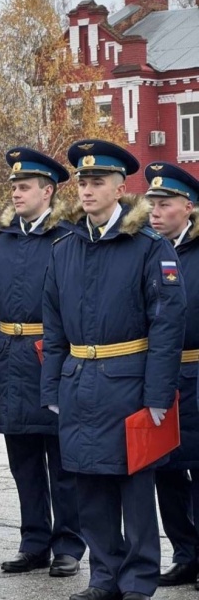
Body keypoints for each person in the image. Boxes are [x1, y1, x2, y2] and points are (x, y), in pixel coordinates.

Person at [41, 140, 187, 600]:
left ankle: (138, 580)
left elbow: (168, 325)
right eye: (82, 181)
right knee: (89, 485)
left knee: (134, 488)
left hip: (129, 380)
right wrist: (52, 386)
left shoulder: (148, 247)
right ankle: (103, 576)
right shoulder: (65, 247)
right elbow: (53, 323)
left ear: (121, 187)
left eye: (97, 181)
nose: (87, 189)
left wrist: (159, 396)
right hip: (79, 381)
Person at [0, 148, 86, 577]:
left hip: (51, 358)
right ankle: (33, 541)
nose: (16, 194)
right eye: (14, 187)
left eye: (24, 187)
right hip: (9, 360)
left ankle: (69, 544)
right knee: (23, 462)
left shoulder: (68, 240)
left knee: (63, 462)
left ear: (47, 190)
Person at [144, 162, 199, 589]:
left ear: (189, 208)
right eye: (152, 205)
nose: (155, 212)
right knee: (165, 470)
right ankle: (184, 554)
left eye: (164, 205)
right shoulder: (146, 251)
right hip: (157, 374)